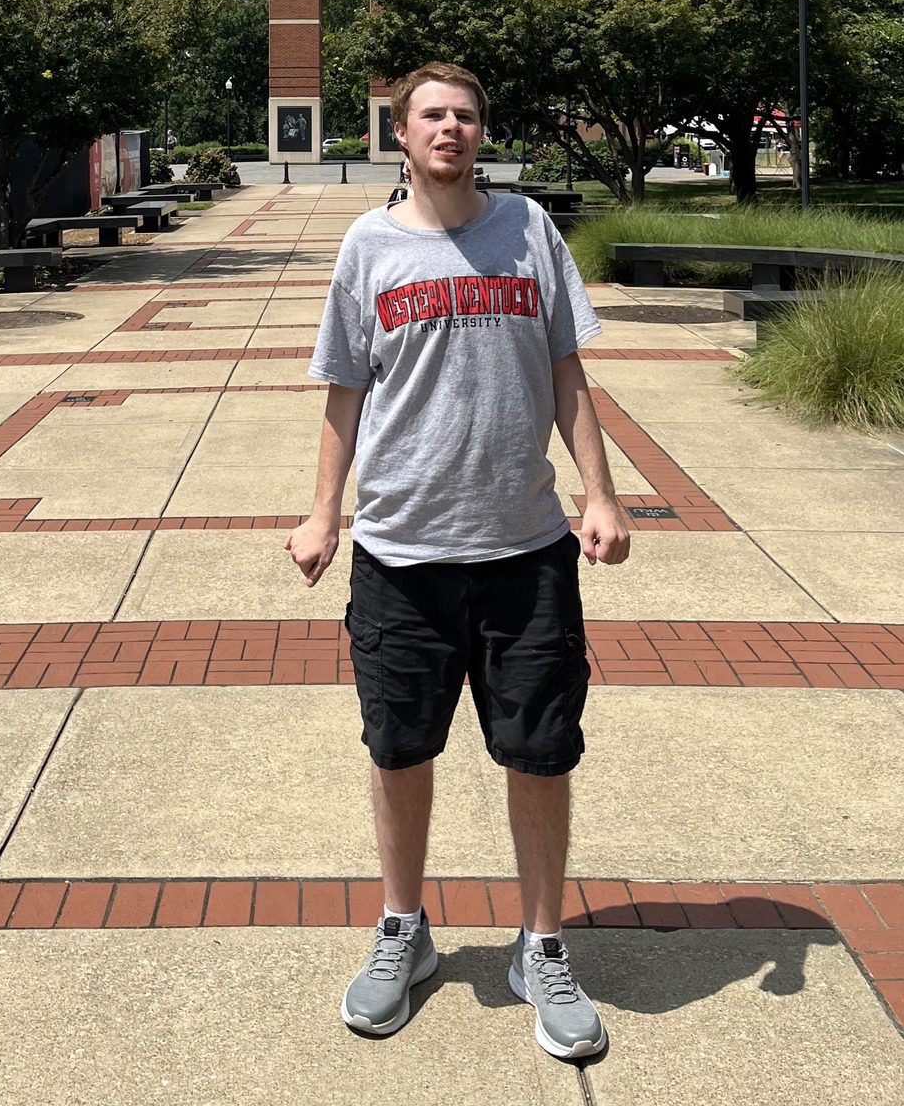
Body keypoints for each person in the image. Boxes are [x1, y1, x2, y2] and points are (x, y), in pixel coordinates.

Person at [287, 61, 631, 1062]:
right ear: (401, 131)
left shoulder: (528, 228)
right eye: (433, 113)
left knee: (540, 749)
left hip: (525, 550)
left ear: (484, 131)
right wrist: (322, 515)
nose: (452, 126)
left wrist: (600, 491)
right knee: (399, 748)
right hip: (401, 553)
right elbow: (344, 390)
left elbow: (567, 367)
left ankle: (542, 943)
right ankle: (405, 928)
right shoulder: (367, 245)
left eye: (468, 113)